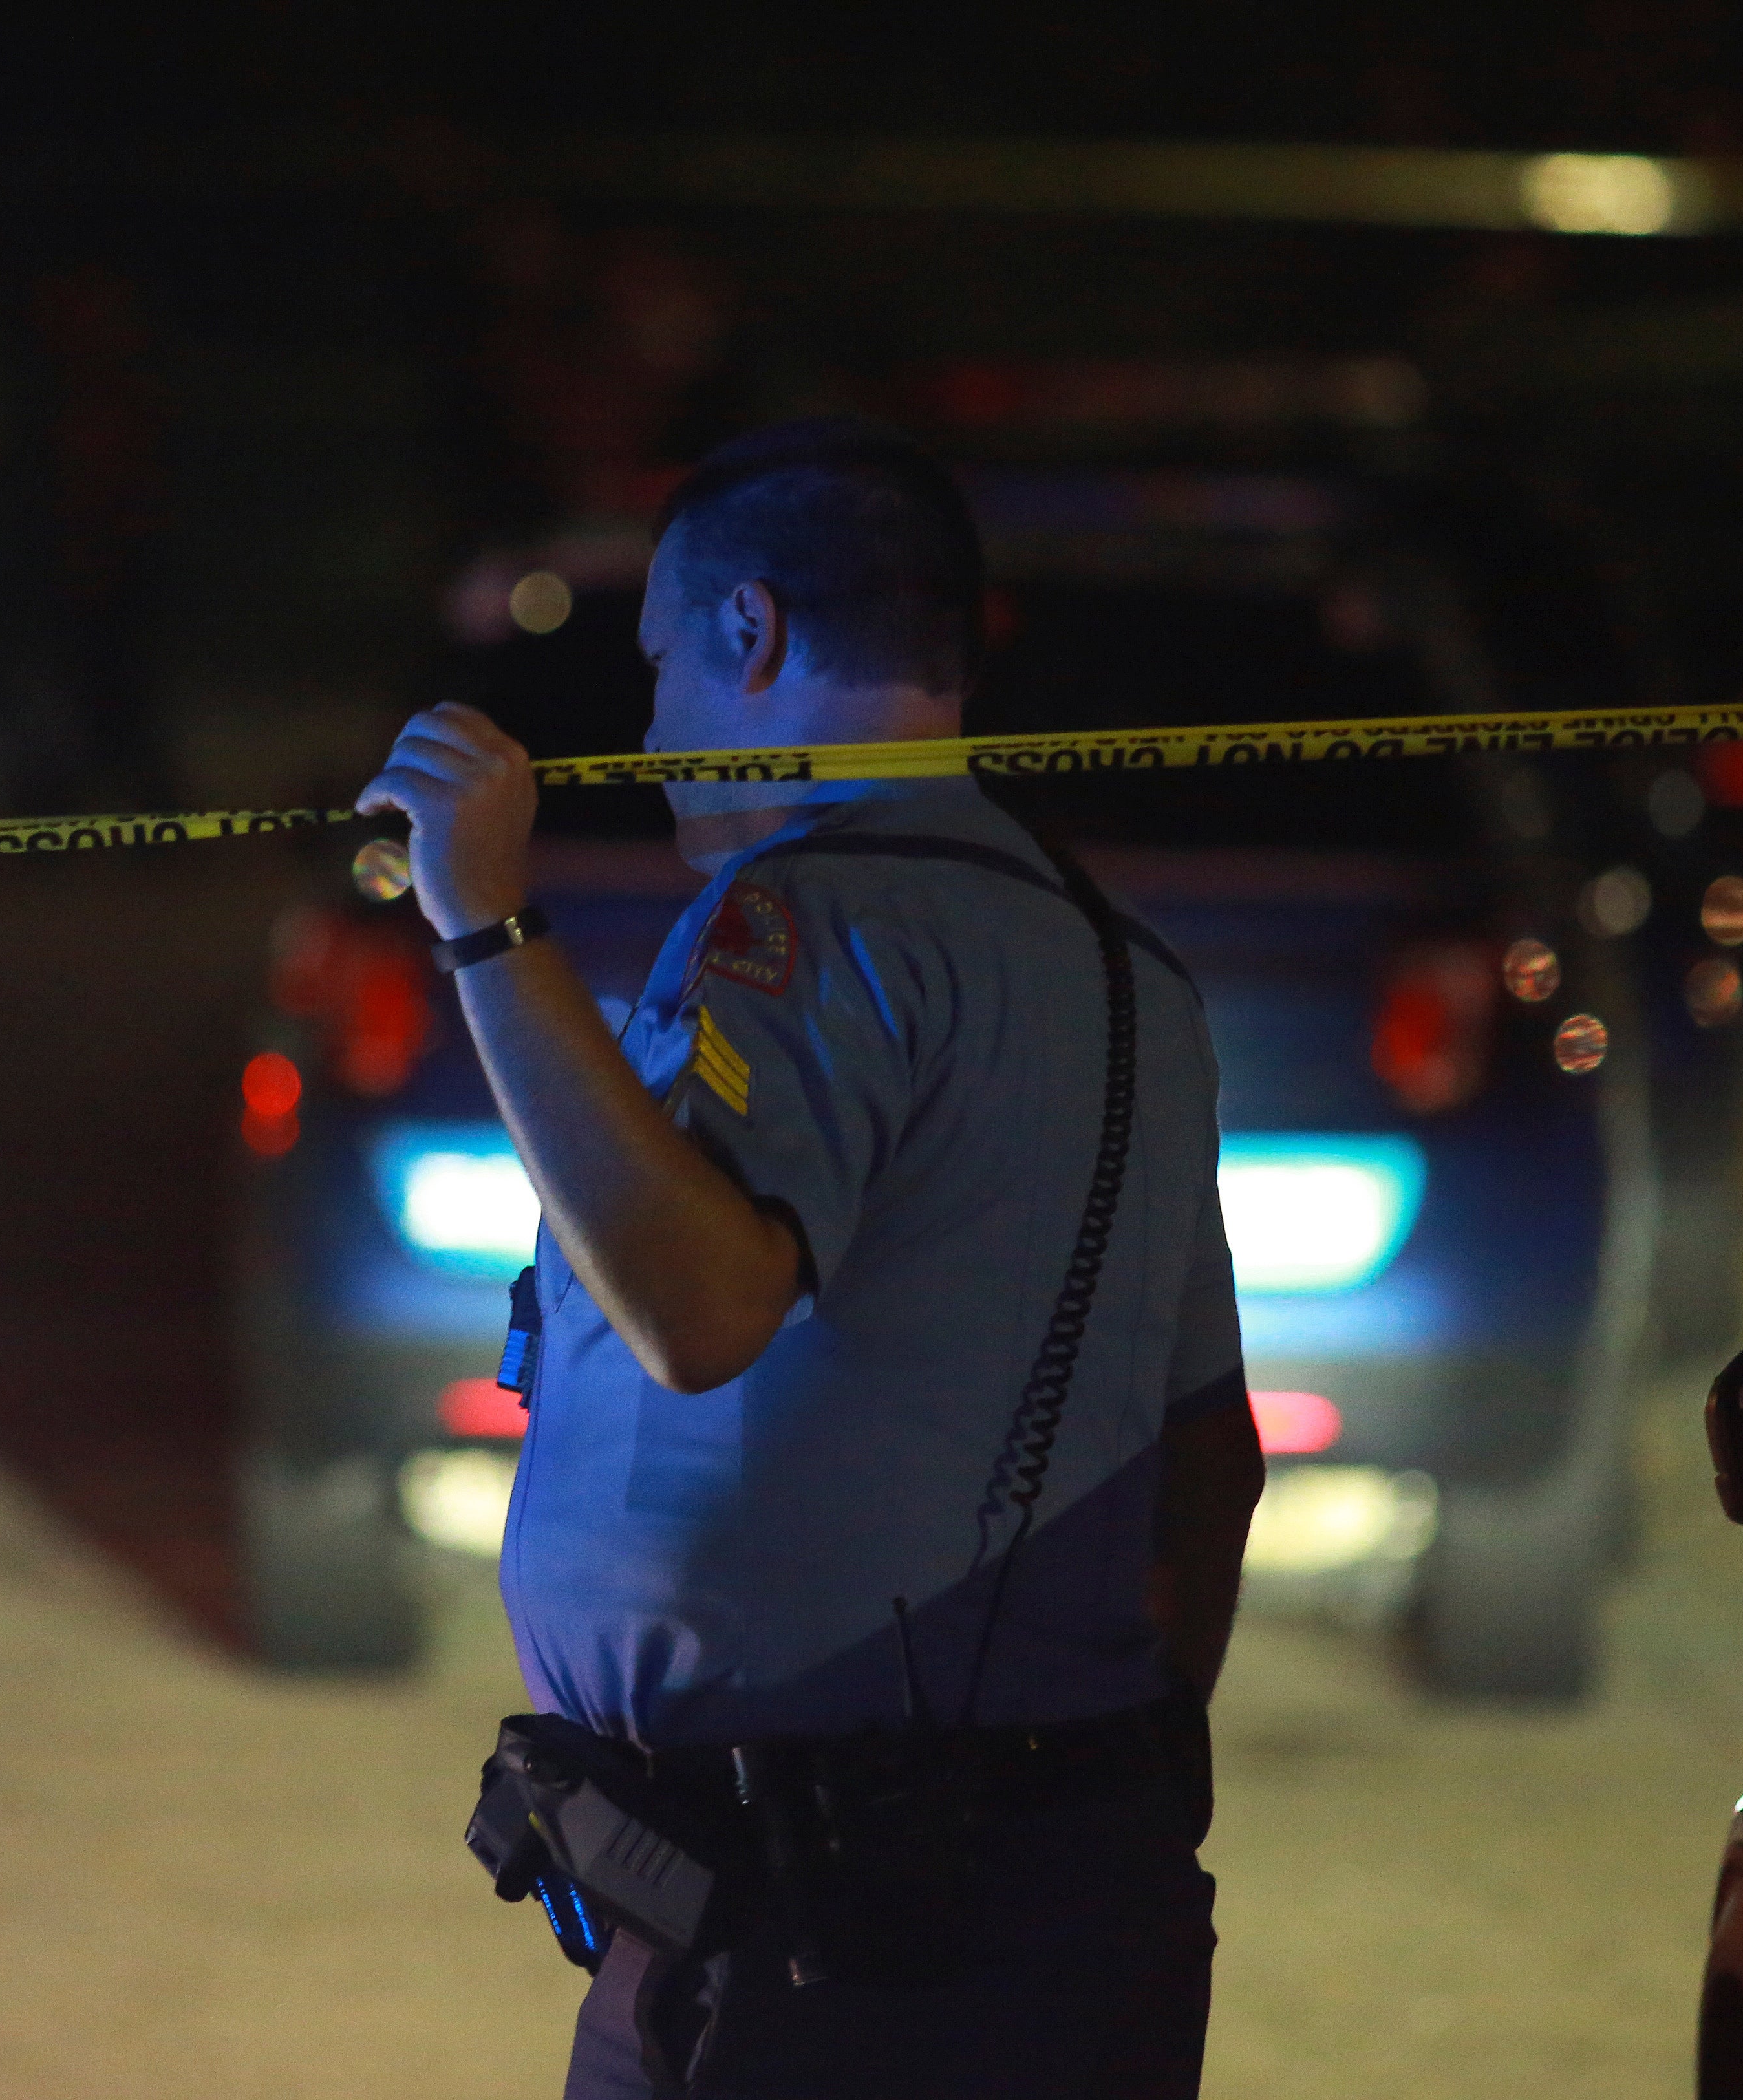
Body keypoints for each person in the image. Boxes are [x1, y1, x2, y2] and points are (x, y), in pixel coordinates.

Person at [359, 420, 1263, 2099]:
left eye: (658, 668)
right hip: (1063, 1909)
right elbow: (1210, 1453)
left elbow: (704, 1308)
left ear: (749, 635)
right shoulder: (1130, 973)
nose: (651, 730)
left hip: (819, 1957)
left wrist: (485, 929)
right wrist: (1071, 1793)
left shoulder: (819, 918)